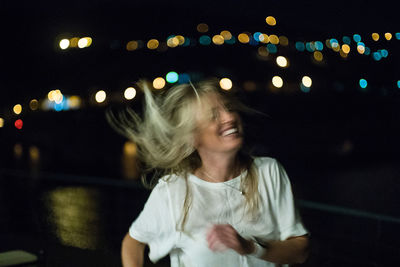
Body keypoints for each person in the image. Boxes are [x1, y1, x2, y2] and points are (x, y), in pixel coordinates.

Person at [108, 78, 310, 267]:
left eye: (229, 108)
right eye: (214, 115)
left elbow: (300, 250)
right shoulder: (173, 191)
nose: (230, 117)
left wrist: (251, 247)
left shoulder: (269, 172)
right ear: (192, 137)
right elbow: (133, 242)